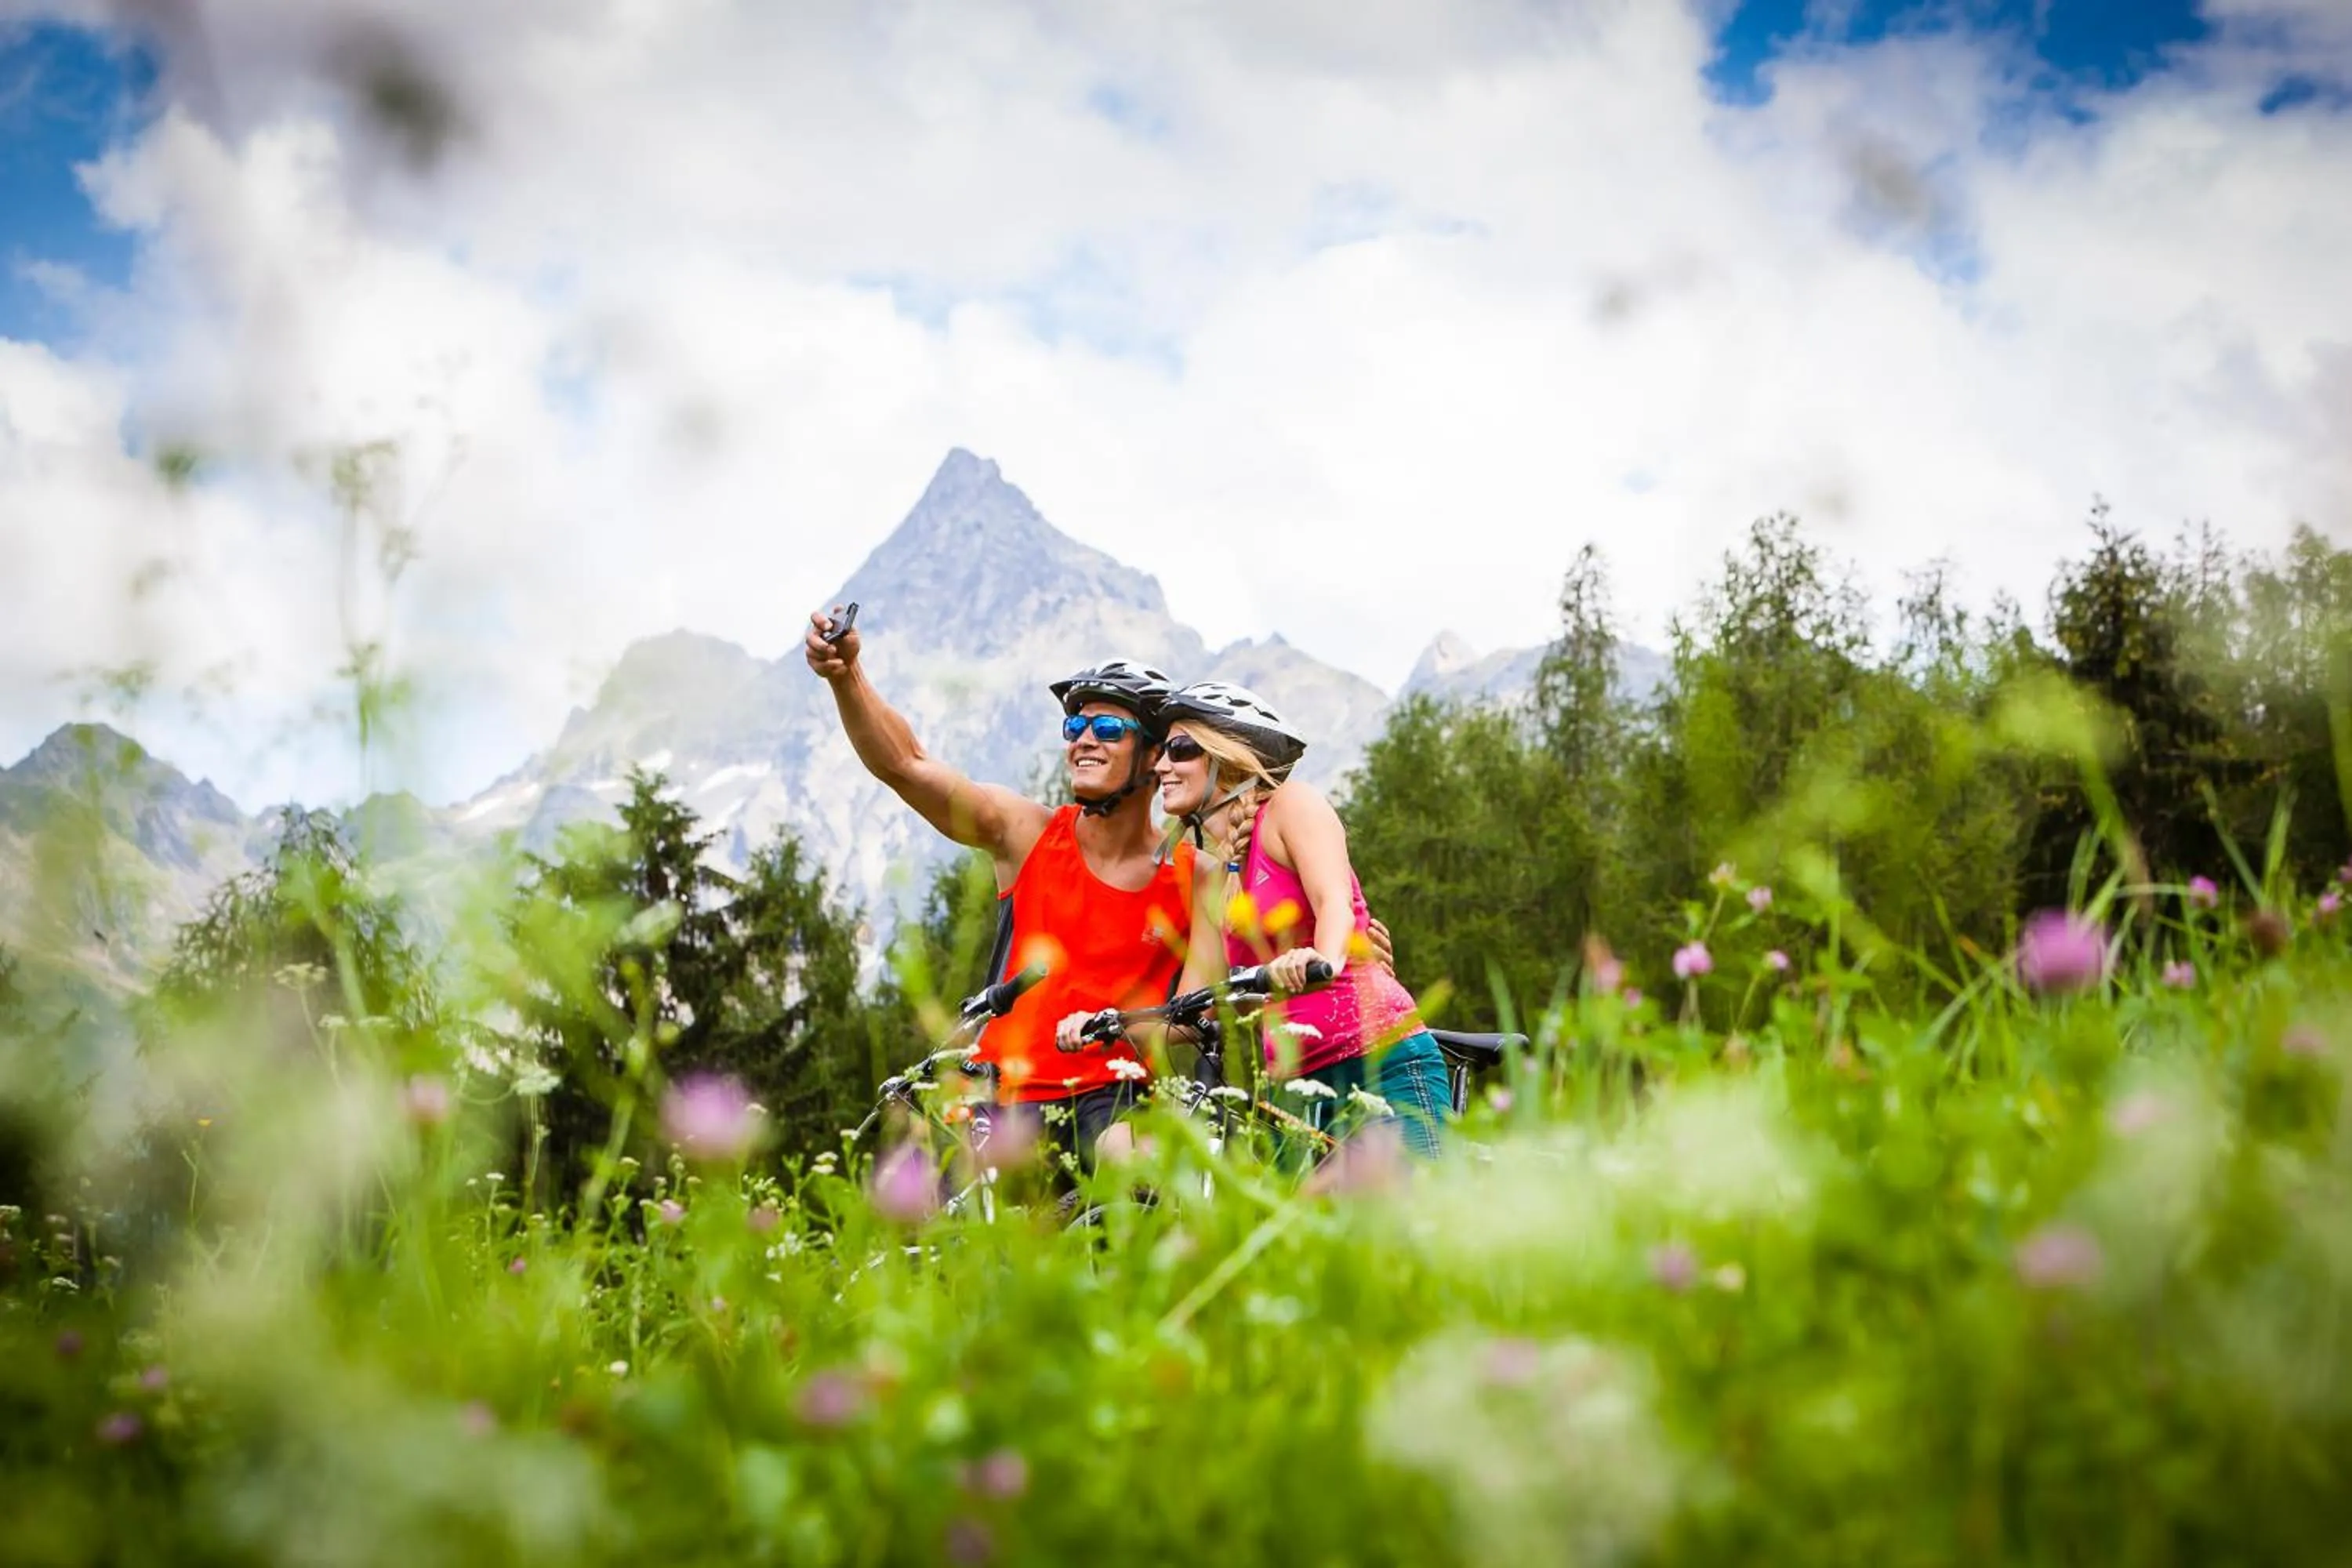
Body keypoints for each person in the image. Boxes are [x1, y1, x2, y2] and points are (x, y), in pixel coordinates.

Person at [804, 606, 1190, 1174]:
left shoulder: (1194, 873)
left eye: (1108, 729)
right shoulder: (1027, 833)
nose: (1084, 740)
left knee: (1155, 1180)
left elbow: (1244, 980)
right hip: (1006, 1102)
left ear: (1155, 757)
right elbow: (908, 766)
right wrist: (847, 675)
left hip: (1119, 1107)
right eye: (1074, 727)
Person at [1149, 680, 1450, 1163]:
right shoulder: (1213, 881)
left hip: (1379, 1061)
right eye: (1161, 753)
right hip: (1294, 1089)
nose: (1160, 765)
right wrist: (1100, 1027)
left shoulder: (1291, 807)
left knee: (1407, 1226)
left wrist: (1322, 957)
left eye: (1179, 749)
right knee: (1303, 1236)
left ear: (1227, 758)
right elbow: (1193, 1010)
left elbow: (1334, 902)